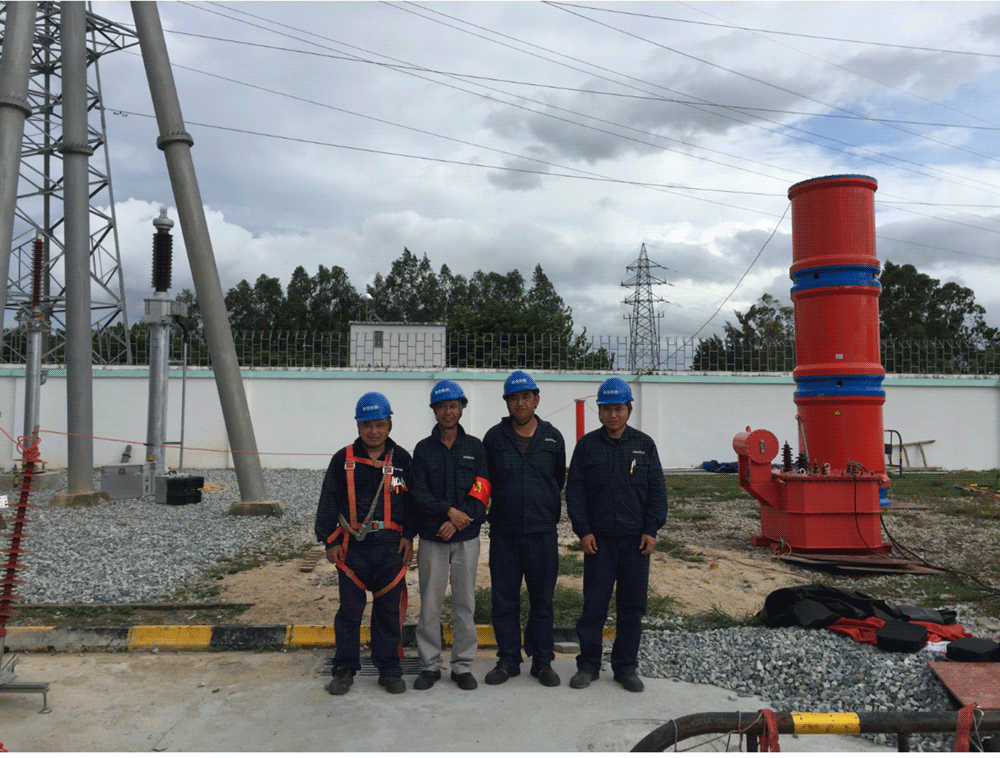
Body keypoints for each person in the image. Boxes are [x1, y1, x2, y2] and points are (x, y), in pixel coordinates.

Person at [566, 377, 668, 693]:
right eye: (607, 409)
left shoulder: (644, 445)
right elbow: (575, 492)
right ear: (599, 411)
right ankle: (588, 666)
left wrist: (651, 529)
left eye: (619, 409)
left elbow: (657, 490)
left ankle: (625, 668)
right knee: (593, 607)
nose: (613, 415)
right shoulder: (587, 446)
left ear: (629, 410)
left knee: (631, 607)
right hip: (598, 543)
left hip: (635, 543)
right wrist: (583, 531)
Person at [314, 391, 416, 696]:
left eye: (380, 424)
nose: (374, 431)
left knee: (388, 611)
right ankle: (344, 668)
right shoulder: (342, 460)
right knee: (350, 610)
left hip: (390, 548)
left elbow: (408, 501)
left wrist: (409, 536)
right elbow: (328, 501)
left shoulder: (401, 461)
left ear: (389, 424)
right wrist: (329, 541)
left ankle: (389, 669)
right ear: (358, 426)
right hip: (352, 550)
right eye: (368, 425)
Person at [482, 370, 566, 687]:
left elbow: (557, 480)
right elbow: (487, 481)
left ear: (536, 399)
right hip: (504, 533)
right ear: (507, 402)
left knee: (542, 599)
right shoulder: (494, 438)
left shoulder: (553, 437)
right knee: (504, 600)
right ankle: (508, 660)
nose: (520, 403)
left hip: (542, 533)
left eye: (526, 397)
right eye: (514, 398)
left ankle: (542, 662)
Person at [411, 379, 491, 691]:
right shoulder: (423, 449)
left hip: (466, 538)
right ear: (434, 410)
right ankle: (429, 665)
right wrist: (448, 512)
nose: (448, 412)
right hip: (432, 538)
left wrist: (458, 522)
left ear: (461, 409)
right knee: (430, 605)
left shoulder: (475, 447)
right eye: (442, 406)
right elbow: (418, 494)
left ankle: (462, 667)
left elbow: (482, 489)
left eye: (454, 406)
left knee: (465, 604)